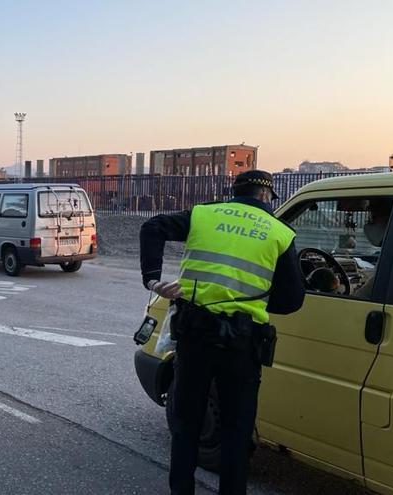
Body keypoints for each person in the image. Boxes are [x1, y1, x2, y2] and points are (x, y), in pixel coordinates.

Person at [139, 170, 305, 495]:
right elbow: (292, 301)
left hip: (194, 337)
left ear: (235, 192)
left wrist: (153, 279)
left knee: (187, 425)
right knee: (236, 431)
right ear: (266, 197)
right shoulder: (279, 233)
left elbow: (152, 227)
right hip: (242, 345)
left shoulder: (204, 214)